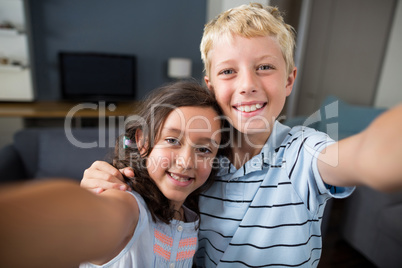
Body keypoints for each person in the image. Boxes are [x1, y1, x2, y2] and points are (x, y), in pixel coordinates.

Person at [80, 3, 402, 267]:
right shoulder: (198, 164)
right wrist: (101, 184)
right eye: (228, 71)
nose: (247, 84)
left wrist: (376, 152)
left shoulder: (302, 152)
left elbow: (362, 156)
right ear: (211, 86)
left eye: (264, 67)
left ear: (289, 80)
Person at [0, 80, 225, 268]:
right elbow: (92, 219)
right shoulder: (127, 202)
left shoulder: (191, 217)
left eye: (204, 149)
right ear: (142, 141)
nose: (186, 162)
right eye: (172, 140)